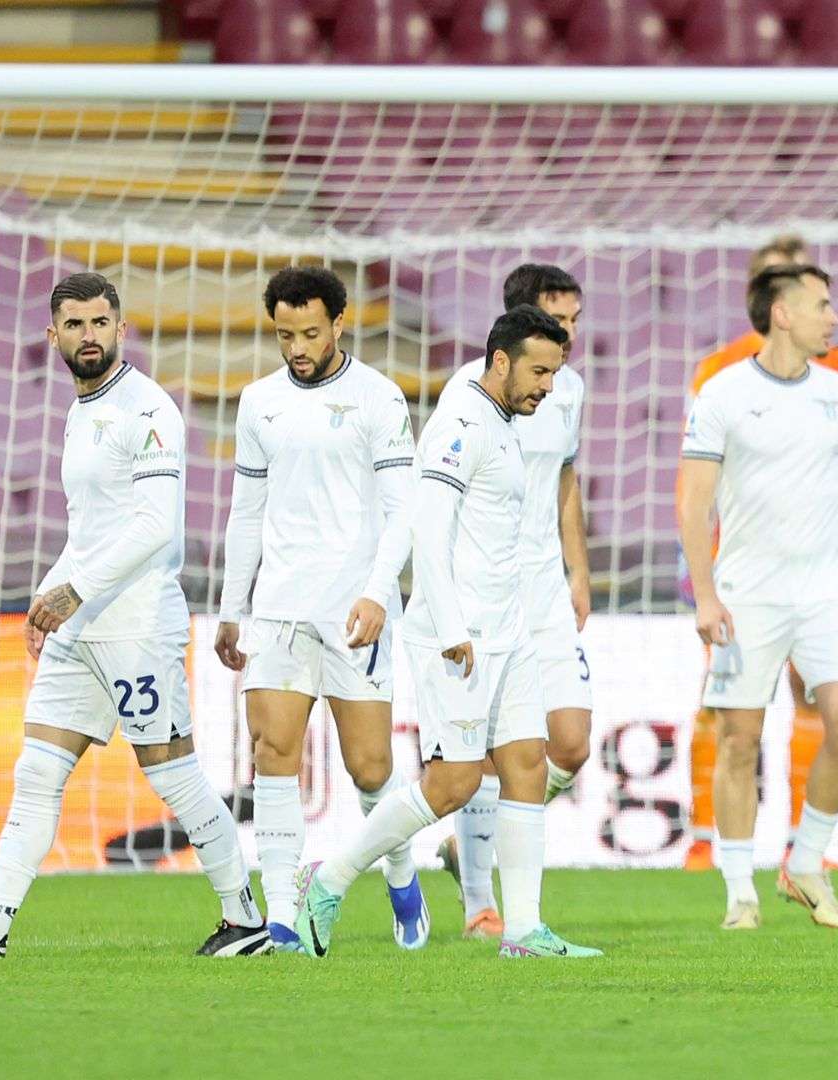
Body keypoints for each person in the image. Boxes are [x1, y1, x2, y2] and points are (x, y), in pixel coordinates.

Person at [0, 273, 266, 958]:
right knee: (37, 773)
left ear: (120, 328)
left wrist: (75, 591)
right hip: (81, 624)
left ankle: (244, 918)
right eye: (74, 324)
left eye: (100, 323)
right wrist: (49, 598)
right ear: (54, 336)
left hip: (136, 625)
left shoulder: (149, 409)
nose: (88, 335)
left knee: (173, 774)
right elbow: (88, 529)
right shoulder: (80, 410)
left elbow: (154, 525)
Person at [296, 306, 599, 960]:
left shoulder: (505, 421)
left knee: (527, 764)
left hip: (508, 628)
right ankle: (330, 878)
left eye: (554, 374)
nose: (548, 387)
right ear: (501, 361)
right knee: (453, 784)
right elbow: (428, 529)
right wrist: (453, 626)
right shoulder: (461, 424)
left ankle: (523, 931)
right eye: (539, 372)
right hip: (458, 634)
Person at [677, 264, 838, 931]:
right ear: (782, 313)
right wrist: (706, 597)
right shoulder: (722, 393)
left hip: (827, 593)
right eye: (821, 305)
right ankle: (738, 892)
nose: (834, 317)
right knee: (740, 739)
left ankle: (804, 862)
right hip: (747, 596)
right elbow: (693, 503)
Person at [215, 266, 424, 953]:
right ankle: (281, 914)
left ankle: (401, 875)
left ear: (339, 323)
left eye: (309, 333)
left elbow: (404, 510)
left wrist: (378, 591)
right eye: (285, 335)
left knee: (371, 769)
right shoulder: (259, 402)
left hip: (354, 609)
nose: (297, 347)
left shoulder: (378, 398)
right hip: (279, 607)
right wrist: (232, 606)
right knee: (273, 753)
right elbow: (246, 511)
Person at [432, 264, 595, 941]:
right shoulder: (467, 392)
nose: (571, 335)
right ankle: (480, 903)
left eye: (577, 321)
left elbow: (564, 480)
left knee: (572, 743)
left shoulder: (567, 388)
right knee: (485, 757)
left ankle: (477, 848)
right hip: (487, 589)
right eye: (559, 321)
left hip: (546, 587)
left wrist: (578, 570)